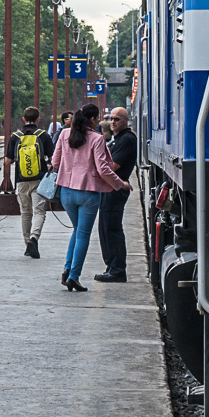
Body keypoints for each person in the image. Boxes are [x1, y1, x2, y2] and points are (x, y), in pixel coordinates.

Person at [51, 103, 131, 292]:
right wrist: (120, 184)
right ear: (94, 119)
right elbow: (103, 169)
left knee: (77, 230)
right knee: (83, 235)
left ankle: (67, 269)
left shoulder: (64, 134)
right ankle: (73, 277)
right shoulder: (97, 138)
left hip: (66, 192)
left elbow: (55, 162)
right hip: (88, 193)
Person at [95, 107, 139, 283]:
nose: (113, 122)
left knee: (112, 229)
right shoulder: (117, 139)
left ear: (125, 120)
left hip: (116, 189)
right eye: (111, 119)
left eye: (117, 119)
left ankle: (117, 270)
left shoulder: (127, 139)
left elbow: (112, 167)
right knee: (105, 228)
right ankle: (111, 267)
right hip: (110, 189)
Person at [10, 106, 53, 259]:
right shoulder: (43, 135)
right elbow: (52, 158)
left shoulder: (15, 136)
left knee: (25, 213)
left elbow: (8, 160)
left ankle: (27, 243)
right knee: (39, 211)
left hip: (21, 180)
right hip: (39, 179)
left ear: (23, 119)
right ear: (38, 119)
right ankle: (35, 238)